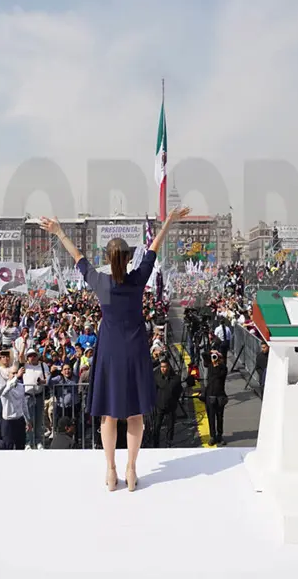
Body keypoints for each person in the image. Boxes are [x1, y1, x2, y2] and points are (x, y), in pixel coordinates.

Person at [39, 205, 190, 491]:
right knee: (135, 414)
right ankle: (131, 471)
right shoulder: (137, 280)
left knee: (108, 414)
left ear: (108, 259)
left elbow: (77, 257)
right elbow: (153, 250)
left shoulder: (100, 282)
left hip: (109, 350)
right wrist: (169, 220)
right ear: (129, 258)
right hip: (134, 349)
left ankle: (111, 471)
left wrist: (58, 231)